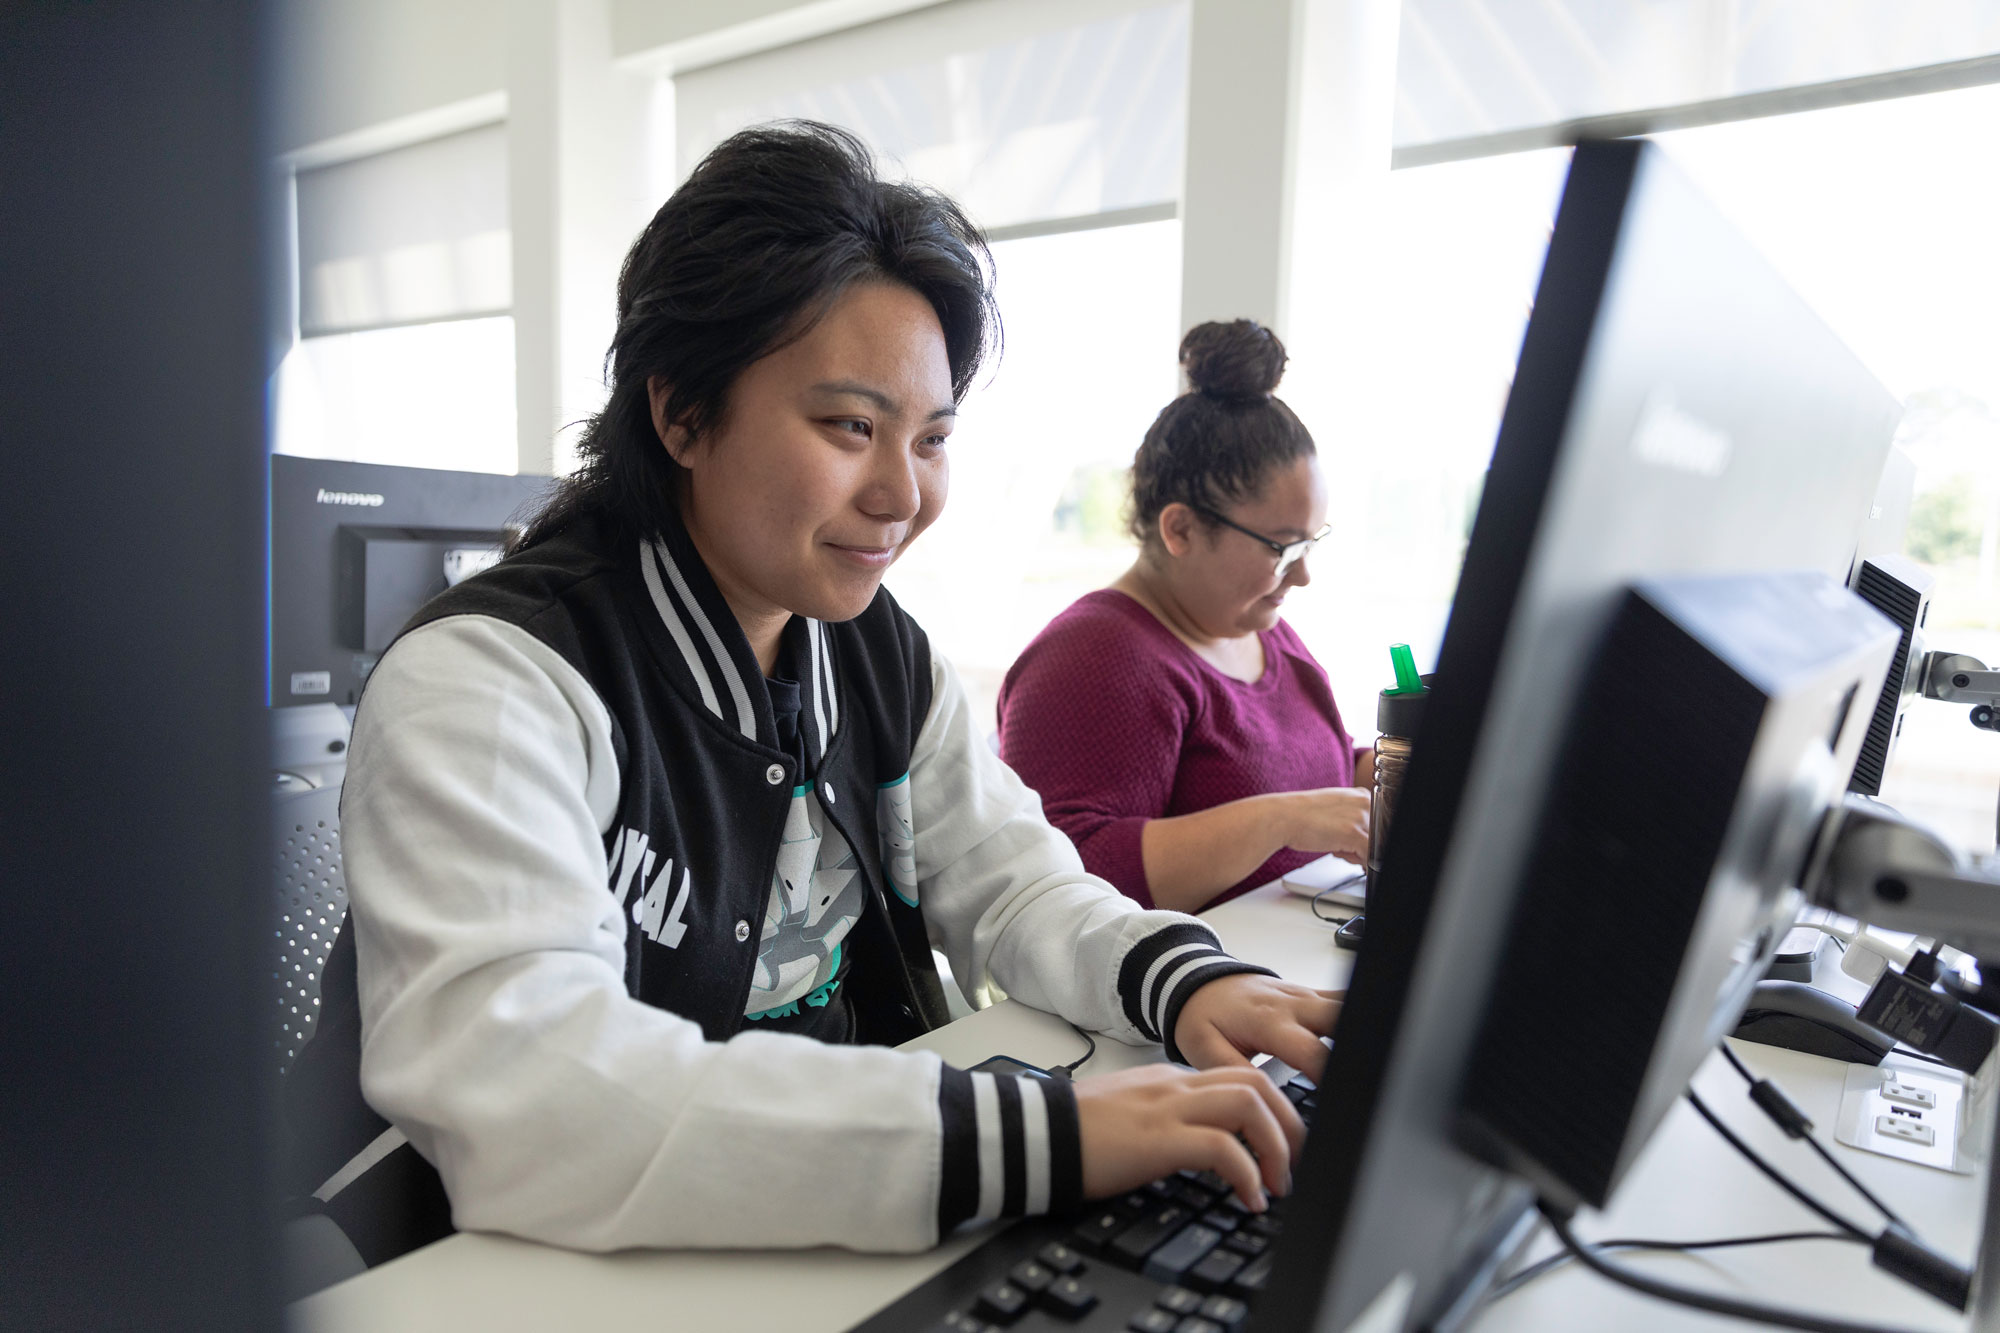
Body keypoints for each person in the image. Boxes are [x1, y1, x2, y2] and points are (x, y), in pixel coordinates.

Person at [283, 123, 1338, 1266]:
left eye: (930, 438)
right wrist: (1037, 1138)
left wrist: (1190, 984)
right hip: (477, 1262)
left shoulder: (873, 650)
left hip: (783, 1223)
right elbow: (532, 1090)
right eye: (849, 427)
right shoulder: (492, 678)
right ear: (680, 411)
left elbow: (1017, 887)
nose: (901, 493)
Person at [997, 320, 1373, 914]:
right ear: (1181, 529)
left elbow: (1309, 766)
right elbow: (1060, 878)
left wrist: (1375, 773)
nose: (1302, 576)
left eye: (1311, 543)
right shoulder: (1092, 657)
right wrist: (1282, 820)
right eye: (1283, 548)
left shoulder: (1257, 624)